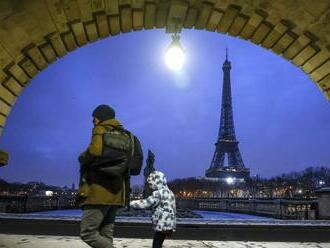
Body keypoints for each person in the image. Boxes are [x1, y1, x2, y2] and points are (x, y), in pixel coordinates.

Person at [77, 104, 143, 248]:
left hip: (98, 191)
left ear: (101, 118)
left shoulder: (100, 129)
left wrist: (82, 157)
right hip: (118, 192)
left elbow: (94, 152)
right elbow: (135, 167)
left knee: (88, 233)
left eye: (94, 117)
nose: (92, 121)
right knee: (106, 234)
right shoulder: (129, 136)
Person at [130, 171, 176, 248]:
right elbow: (174, 209)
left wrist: (131, 203)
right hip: (168, 223)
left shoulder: (158, 193)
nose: (150, 186)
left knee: (156, 244)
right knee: (159, 242)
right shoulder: (170, 192)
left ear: (156, 182)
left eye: (151, 184)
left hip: (161, 224)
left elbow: (146, 203)